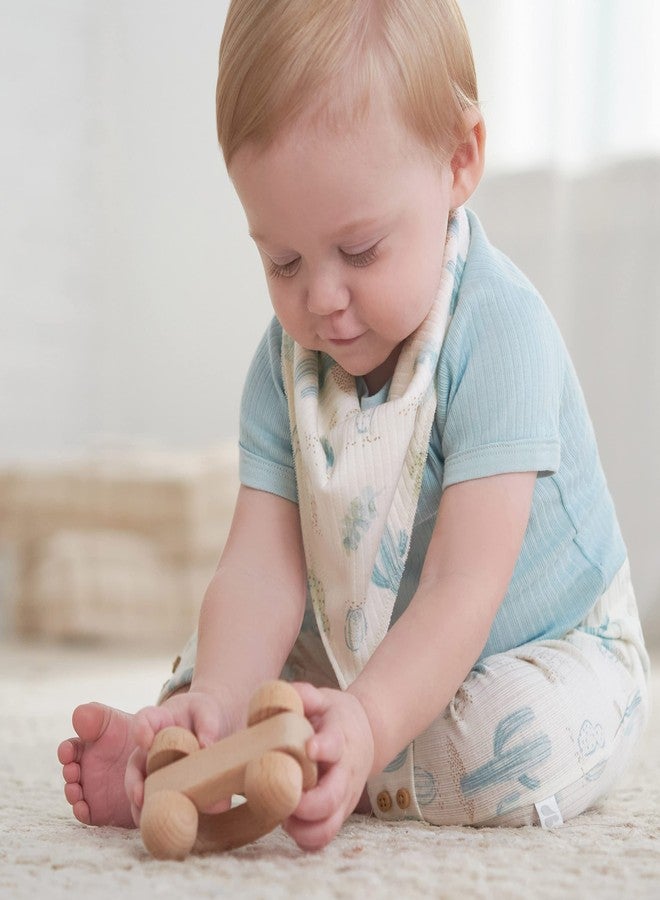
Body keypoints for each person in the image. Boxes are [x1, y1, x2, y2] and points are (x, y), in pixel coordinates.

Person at [58, 0, 649, 851]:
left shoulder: (502, 334)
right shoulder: (282, 366)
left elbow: (463, 588)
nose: (321, 300)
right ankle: (181, 760)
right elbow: (262, 571)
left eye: (362, 250)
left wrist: (369, 720)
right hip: (360, 644)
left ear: (459, 161)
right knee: (218, 658)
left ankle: (326, 754)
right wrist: (220, 697)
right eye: (282, 261)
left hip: (533, 643)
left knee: (521, 735)